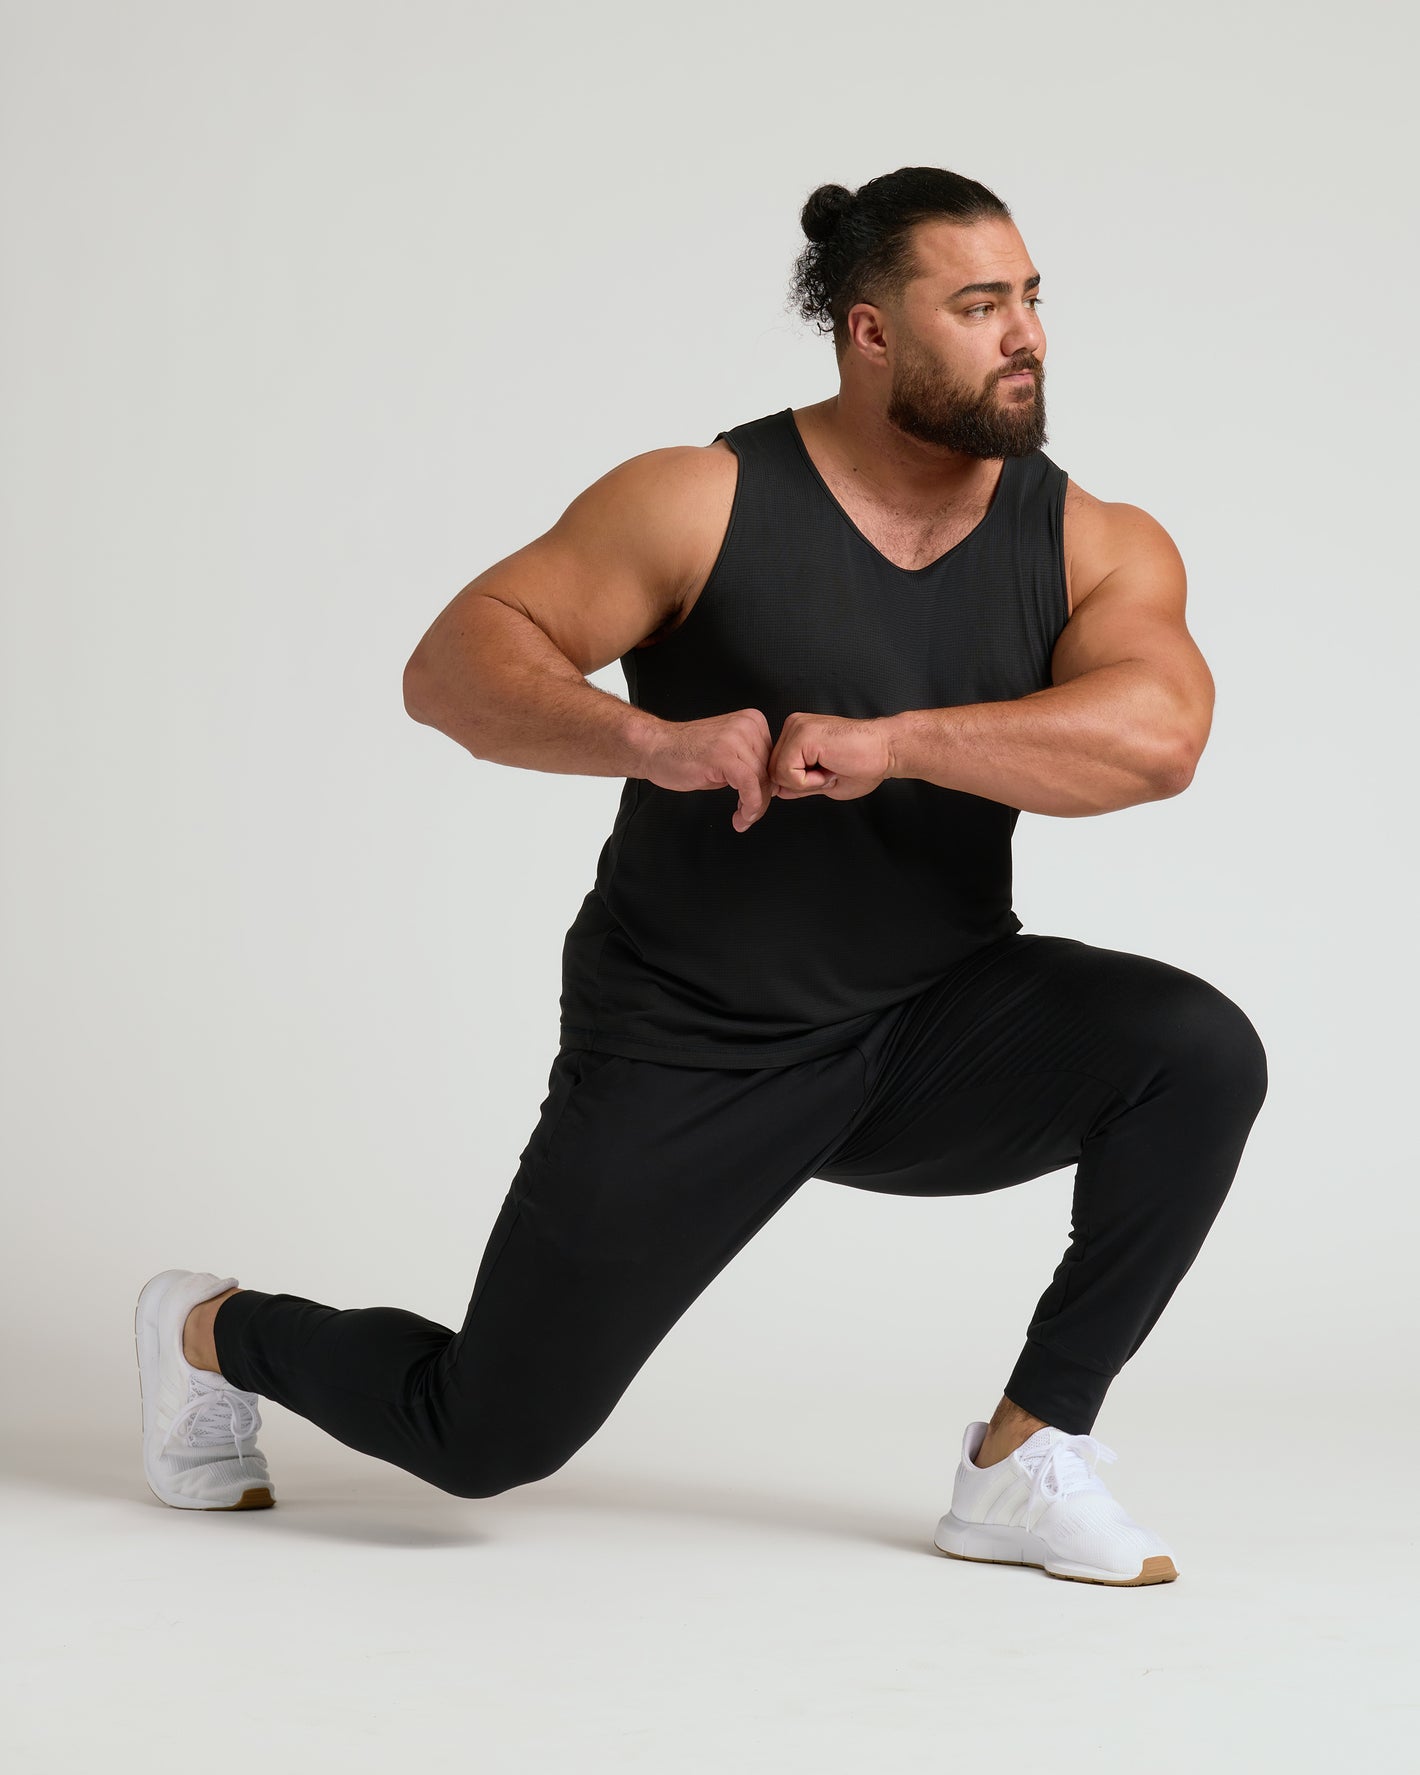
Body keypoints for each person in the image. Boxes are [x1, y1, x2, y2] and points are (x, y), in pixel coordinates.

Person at [135, 166, 1268, 1587]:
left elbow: (1161, 742)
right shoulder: (701, 500)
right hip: (694, 1040)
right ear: (870, 333)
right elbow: (455, 669)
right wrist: (649, 739)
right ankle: (207, 1328)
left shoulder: (1093, 538)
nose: (1024, 334)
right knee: (482, 1439)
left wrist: (899, 743)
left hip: (931, 1024)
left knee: (1196, 1053)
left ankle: (1024, 1462)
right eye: (978, 305)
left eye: (1032, 299)